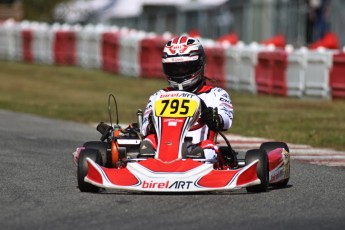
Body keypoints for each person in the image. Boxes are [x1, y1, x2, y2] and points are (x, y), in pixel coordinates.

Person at [139, 35, 234, 165]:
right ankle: (147, 164)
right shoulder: (158, 96)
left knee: (206, 149)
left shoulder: (216, 94)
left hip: (199, 147)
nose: (179, 73)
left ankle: (192, 161)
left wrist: (214, 119)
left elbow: (226, 121)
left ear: (199, 64)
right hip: (162, 149)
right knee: (148, 142)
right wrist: (151, 123)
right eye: (174, 69)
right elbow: (144, 129)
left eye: (184, 68)